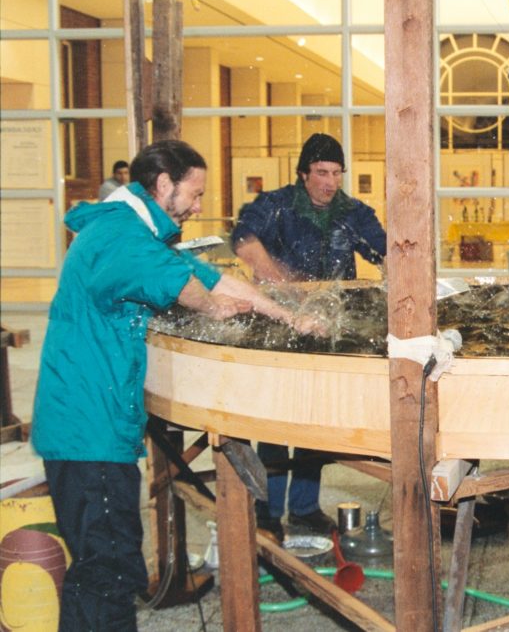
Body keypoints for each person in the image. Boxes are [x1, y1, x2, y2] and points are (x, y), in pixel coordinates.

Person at [31, 140, 321, 631]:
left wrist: (289, 316)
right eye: (196, 193)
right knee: (110, 569)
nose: (199, 206)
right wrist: (214, 310)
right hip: (88, 434)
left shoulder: (130, 232)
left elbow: (210, 277)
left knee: (100, 567)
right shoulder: (119, 235)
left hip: (94, 426)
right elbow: (191, 289)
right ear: (164, 185)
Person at [233, 133, 387, 539]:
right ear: (303, 174)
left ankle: (303, 507)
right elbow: (243, 241)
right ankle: (267, 510)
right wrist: (283, 281)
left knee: (312, 421)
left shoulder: (353, 213)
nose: (330, 182)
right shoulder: (275, 205)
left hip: (327, 332)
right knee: (273, 423)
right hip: (278, 325)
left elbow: (385, 249)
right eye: (321, 172)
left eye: (337, 173)